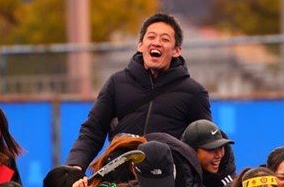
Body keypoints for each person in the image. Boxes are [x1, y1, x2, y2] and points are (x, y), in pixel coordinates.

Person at [65, 12, 212, 171]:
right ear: (140, 45)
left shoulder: (194, 91)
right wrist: (75, 166)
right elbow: (93, 130)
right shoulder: (116, 83)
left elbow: (206, 142)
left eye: (165, 39)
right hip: (121, 176)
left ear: (176, 50)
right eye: (151, 37)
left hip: (168, 179)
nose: (156, 43)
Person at [181, 119, 236, 187]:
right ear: (192, 152)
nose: (219, 155)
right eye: (211, 149)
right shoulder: (178, 181)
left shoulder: (231, 184)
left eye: (221, 147)